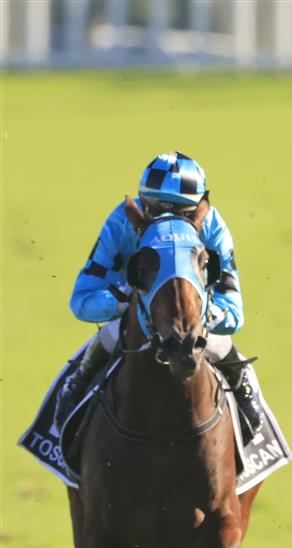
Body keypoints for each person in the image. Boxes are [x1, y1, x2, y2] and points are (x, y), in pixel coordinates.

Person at [57, 151, 261, 434]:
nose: (170, 225)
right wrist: (125, 301)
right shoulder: (121, 222)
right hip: (131, 317)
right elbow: (82, 301)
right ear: (142, 205)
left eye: (184, 214)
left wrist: (201, 309)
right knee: (112, 333)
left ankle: (244, 396)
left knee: (218, 342)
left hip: (196, 317)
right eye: (156, 211)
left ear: (200, 209)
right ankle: (76, 386)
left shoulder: (213, 226)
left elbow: (234, 315)